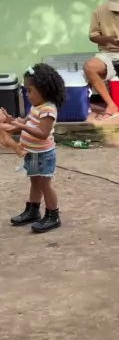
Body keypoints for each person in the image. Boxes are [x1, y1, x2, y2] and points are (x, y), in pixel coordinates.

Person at [5, 64, 65, 233]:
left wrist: (21, 126)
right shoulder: (36, 107)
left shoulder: (48, 109)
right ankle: (33, 210)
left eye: (29, 90)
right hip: (32, 153)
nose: (27, 94)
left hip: (43, 155)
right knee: (35, 181)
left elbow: (43, 133)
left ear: (43, 90)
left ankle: (53, 215)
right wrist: (12, 121)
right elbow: (24, 122)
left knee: (45, 184)